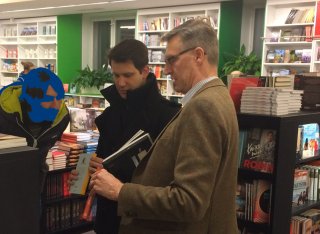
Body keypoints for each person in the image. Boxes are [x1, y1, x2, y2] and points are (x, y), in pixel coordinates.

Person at [89, 18, 239, 233]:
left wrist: (121, 191)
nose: (166, 70)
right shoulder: (218, 96)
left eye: (171, 60)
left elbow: (188, 201)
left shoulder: (203, 106)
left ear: (198, 55)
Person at [69, 39, 181, 234]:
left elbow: (170, 181)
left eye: (128, 75)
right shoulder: (111, 115)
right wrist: (85, 173)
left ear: (145, 71)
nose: (121, 83)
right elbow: (100, 159)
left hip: (145, 222)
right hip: (107, 219)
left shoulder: (168, 116)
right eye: (116, 75)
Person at [0, 67, 70, 191]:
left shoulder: (61, 119)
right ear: (30, 99)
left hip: (35, 183)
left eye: (59, 98)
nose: (56, 106)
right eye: (49, 99)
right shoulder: (4, 114)